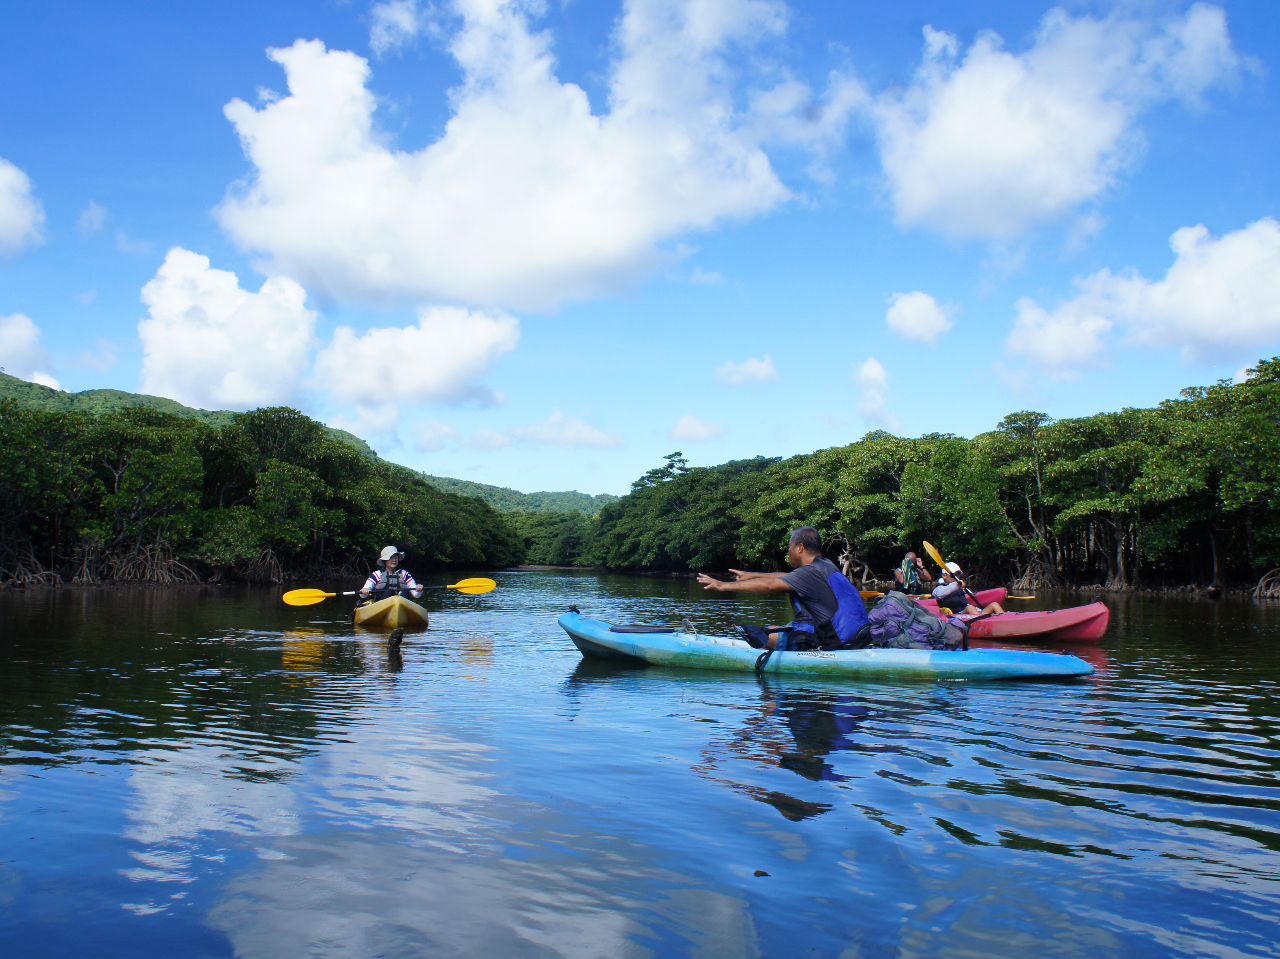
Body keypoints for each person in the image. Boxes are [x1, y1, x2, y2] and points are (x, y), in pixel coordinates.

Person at [695, 527, 868, 651]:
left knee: (759, 634)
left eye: (789, 547)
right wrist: (751, 575)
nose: (788, 552)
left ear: (800, 548)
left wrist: (723, 585)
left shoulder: (809, 573)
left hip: (837, 642)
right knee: (780, 628)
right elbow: (785, 576)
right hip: (859, 637)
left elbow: (769, 585)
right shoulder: (826, 566)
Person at [932, 562, 1004, 616]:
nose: (957, 577)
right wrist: (956, 585)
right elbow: (938, 594)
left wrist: (978, 610)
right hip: (955, 615)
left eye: (958, 575)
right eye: (954, 575)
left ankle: (1005, 621)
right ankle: (984, 622)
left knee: (994, 604)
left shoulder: (960, 587)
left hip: (968, 613)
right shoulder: (939, 589)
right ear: (944, 575)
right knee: (970, 608)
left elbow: (971, 596)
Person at [359, 546, 424, 601]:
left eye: (395, 557)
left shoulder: (404, 574)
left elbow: (416, 595)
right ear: (385, 560)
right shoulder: (377, 574)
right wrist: (364, 591)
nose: (394, 560)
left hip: (402, 604)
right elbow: (362, 595)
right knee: (390, 591)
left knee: (405, 591)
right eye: (391, 557)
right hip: (382, 605)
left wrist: (419, 590)